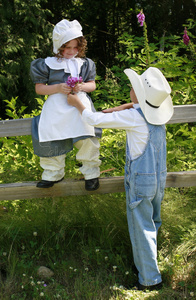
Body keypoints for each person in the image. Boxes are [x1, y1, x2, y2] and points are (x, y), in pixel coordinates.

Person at [67, 67, 174, 290]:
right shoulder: (155, 117)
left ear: (138, 95)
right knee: (153, 222)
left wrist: (78, 103)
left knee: (141, 227)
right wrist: (125, 106)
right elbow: (139, 111)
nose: (129, 90)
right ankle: (148, 266)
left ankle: (149, 280)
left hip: (141, 182)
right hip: (158, 179)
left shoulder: (133, 117)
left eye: (132, 88)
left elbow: (94, 119)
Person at [30, 19, 101, 191]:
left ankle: (91, 173)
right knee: (51, 135)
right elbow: (39, 89)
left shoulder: (85, 63)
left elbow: (92, 85)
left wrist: (81, 86)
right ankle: (52, 173)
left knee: (86, 135)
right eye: (67, 47)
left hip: (79, 104)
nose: (71, 51)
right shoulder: (46, 64)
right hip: (56, 107)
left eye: (75, 47)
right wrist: (57, 87)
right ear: (58, 45)